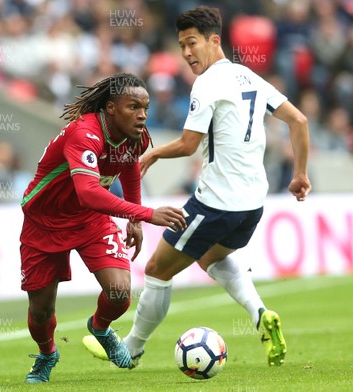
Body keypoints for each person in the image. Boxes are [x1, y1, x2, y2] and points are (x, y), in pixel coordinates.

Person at [84, 6, 311, 368]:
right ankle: (260, 315)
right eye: (181, 46)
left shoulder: (206, 85)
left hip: (215, 203)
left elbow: (189, 144)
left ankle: (130, 350)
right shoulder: (249, 77)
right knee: (210, 256)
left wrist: (153, 153)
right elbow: (298, 120)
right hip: (252, 204)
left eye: (192, 43)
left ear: (214, 41)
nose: (187, 53)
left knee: (158, 269)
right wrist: (300, 174)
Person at [19, 73, 187, 384]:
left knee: (120, 292)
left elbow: (130, 167)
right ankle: (47, 353)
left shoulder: (137, 135)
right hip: (45, 222)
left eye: (146, 108)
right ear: (110, 108)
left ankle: (99, 327)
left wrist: (134, 219)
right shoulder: (85, 134)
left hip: (90, 219)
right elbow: (89, 191)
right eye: (133, 107)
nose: (142, 115)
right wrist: (147, 213)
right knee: (41, 312)